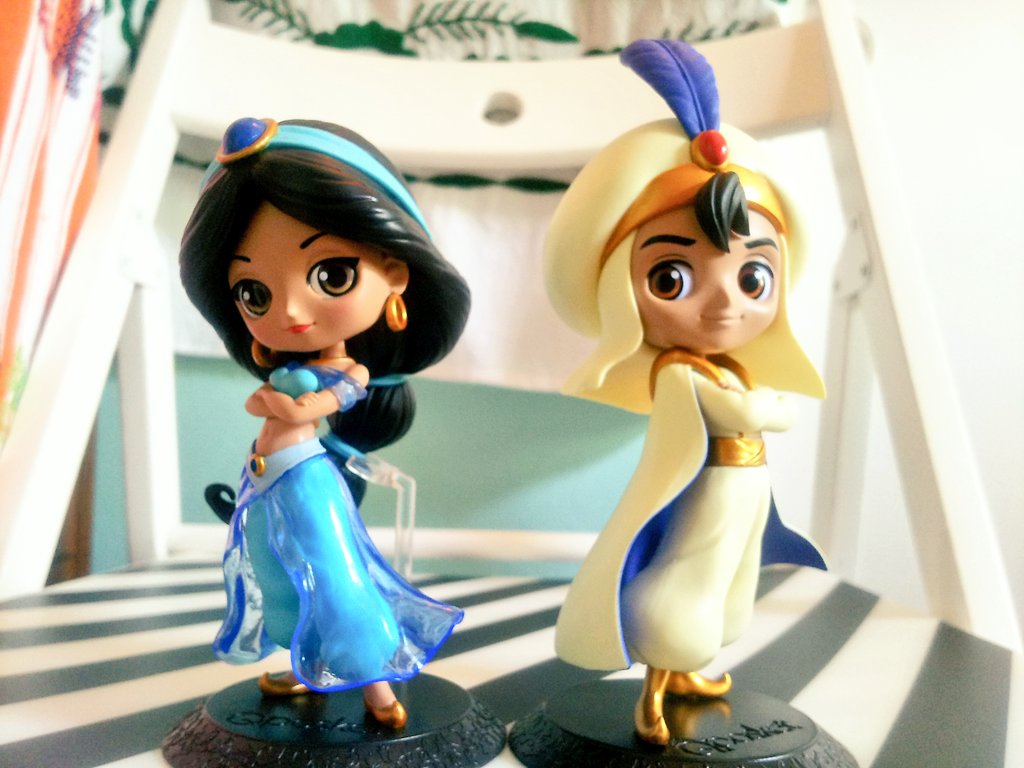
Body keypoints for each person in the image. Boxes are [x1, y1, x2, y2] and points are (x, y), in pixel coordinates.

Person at [543, 41, 826, 745]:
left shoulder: (725, 366)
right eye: (671, 278)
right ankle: (654, 690)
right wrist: (776, 409)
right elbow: (748, 413)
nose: (726, 304)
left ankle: (686, 672)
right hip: (715, 489)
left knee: (731, 580)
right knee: (690, 580)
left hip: (743, 488)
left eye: (753, 277)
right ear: (622, 289)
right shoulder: (682, 372)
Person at [179, 117, 470, 729]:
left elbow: (305, 410)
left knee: (334, 576)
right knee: (276, 575)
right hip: (267, 479)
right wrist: (276, 405)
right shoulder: (292, 368)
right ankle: (305, 663)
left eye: (330, 275)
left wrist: (282, 405)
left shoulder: (350, 372)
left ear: (395, 271)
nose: (289, 310)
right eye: (255, 293)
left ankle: (376, 685)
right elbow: (272, 406)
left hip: (307, 479)